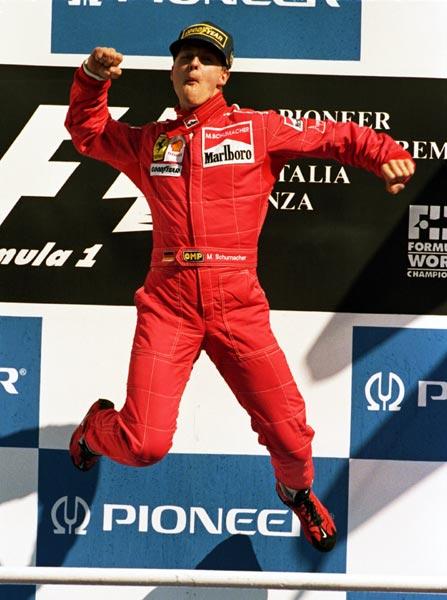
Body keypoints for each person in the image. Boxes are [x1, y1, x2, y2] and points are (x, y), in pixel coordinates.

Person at [66, 21, 415, 554]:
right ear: (173, 70)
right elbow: (88, 133)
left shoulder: (256, 129)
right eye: (184, 56)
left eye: (206, 59)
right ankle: (95, 430)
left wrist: (380, 150)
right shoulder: (151, 141)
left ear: (224, 74)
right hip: (169, 303)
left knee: (293, 437)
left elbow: (336, 136)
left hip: (237, 303)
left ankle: (296, 495)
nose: (193, 65)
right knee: (142, 445)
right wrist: (92, 79)